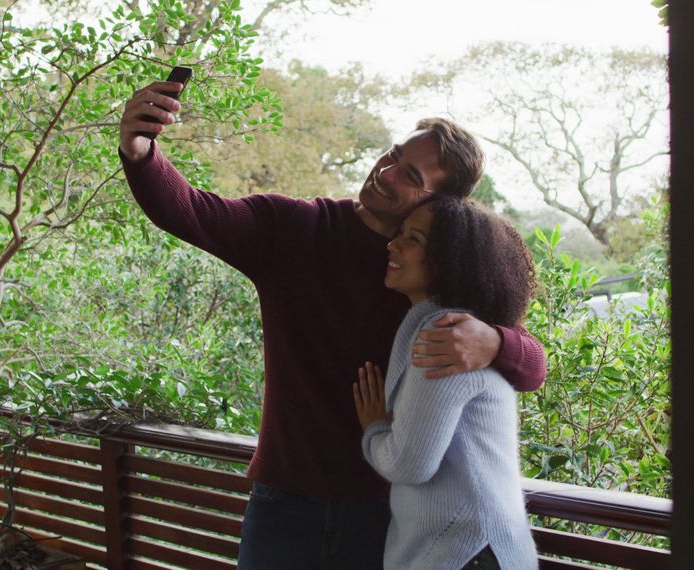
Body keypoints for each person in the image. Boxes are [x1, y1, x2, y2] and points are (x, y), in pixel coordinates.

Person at [118, 80, 546, 569]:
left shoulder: (444, 284)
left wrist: (496, 341)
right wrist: (140, 151)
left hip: (387, 520)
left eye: (407, 173)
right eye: (390, 154)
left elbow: (532, 368)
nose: (383, 171)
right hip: (283, 505)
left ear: (441, 204)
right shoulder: (294, 229)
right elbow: (190, 210)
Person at [353, 198, 539, 570]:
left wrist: (375, 429)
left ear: (449, 258)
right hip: (478, 550)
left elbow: (410, 464)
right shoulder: (464, 329)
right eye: (400, 233)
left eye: (414, 238)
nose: (394, 244)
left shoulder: (446, 334)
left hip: (467, 552)